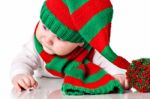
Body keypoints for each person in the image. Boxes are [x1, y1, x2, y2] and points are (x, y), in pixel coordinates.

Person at [10, 0, 130, 95]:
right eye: (45, 27)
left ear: (80, 42)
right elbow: (22, 60)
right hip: (41, 89)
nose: (47, 40)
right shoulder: (36, 45)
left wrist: (118, 75)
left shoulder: (89, 51)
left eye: (60, 38)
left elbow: (108, 62)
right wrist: (20, 74)